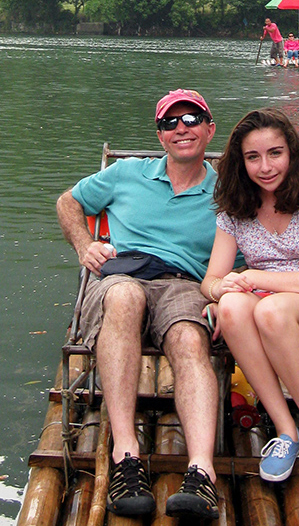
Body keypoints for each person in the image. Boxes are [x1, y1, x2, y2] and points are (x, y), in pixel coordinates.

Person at [56, 89, 221, 520]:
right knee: (126, 298)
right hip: (122, 274)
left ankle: (202, 472)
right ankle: (126, 455)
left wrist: (228, 292)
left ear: (209, 129)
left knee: (188, 336)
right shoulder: (127, 173)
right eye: (171, 122)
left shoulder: (228, 192)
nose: (181, 129)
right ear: (160, 135)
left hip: (187, 283)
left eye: (192, 120)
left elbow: (247, 251)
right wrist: (85, 244)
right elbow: (67, 202)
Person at [201, 108, 299, 496]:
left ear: (291, 153)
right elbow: (211, 280)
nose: (265, 166)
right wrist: (221, 293)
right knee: (237, 307)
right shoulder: (237, 208)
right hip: (266, 308)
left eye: (275, 153)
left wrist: (254, 278)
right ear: (241, 162)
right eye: (253, 157)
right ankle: (286, 431)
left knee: (271, 307)